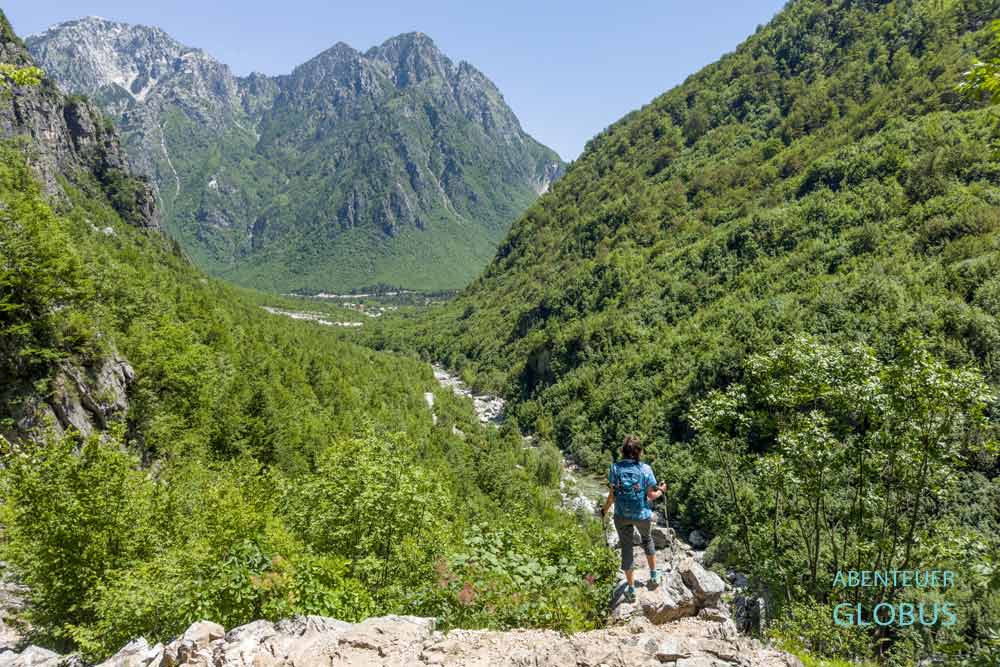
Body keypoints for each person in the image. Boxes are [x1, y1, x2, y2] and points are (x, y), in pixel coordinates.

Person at [601, 434, 666, 603]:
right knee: (647, 540)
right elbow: (650, 495)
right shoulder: (645, 469)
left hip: (621, 515)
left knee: (627, 549)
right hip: (641, 514)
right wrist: (662, 491)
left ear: (623, 451)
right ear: (639, 452)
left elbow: (612, 496)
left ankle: (630, 589)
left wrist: (604, 510)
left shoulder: (615, 468)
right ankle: (653, 576)